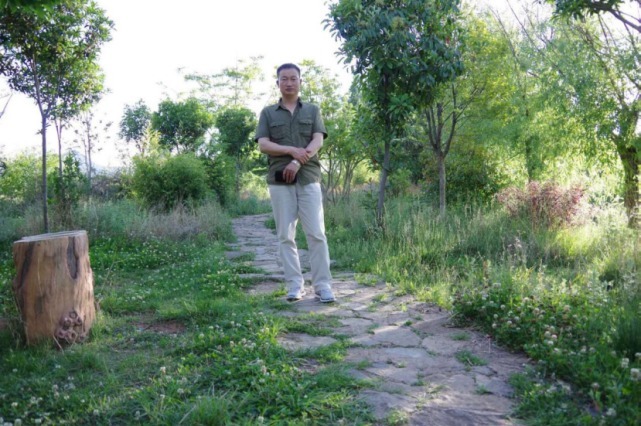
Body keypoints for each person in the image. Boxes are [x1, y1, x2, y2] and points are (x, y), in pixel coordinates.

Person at [254, 63, 335, 303]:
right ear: (277, 83)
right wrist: (290, 151)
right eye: (284, 79)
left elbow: (317, 140)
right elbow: (263, 144)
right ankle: (294, 286)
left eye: (293, 78)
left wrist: (297, 162)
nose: (289, 83)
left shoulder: (312, 111)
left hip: (308, 176)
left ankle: (323, 286)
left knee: (317, 234)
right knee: (285, 235)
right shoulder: (268, 113)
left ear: (300, 81)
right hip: (279, 181)